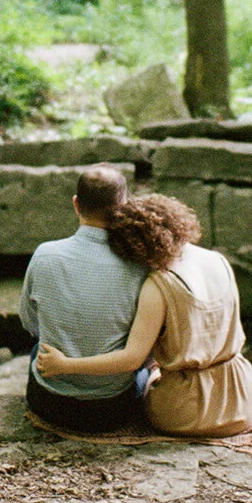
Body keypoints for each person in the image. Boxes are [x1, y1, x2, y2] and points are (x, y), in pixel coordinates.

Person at [36, 194, 252, 438]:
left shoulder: (159, 284)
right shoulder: (218, 260)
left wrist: (65, 365)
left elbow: (131, 359)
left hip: (189, 412)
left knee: (141, 377)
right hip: (243, 401)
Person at [18, 165, 148, 432]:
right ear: (124, 207)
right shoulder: (139, 266)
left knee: (37, 349)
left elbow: (29, 322)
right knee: (146, 370)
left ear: (76, 204)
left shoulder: (44, 254)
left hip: (49, 402)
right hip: (112, 409)